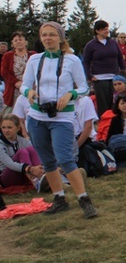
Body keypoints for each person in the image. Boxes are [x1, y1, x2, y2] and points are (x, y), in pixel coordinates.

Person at [21, 21, 97, 218]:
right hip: (37, 116)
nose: (48, 38)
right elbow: (24, 85)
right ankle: (59, 198)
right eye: (44, 35)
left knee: (65, 158)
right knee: (47, 161)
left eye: (52, 35)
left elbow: (84, 87)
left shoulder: (71, 60)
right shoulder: (34, 60)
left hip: (62, 117)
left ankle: (84, 199)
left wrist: (70, 94)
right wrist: (29, 92)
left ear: (60, 38)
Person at [82, 20, 126, 117]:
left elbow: (120, 58)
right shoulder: (91, 45)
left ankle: (116, 122)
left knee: (115, 101)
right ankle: (104, 122)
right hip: (99, 78)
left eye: (107, 29)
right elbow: (86, 62)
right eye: (104, 29)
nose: (107, 31)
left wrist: (123, 72)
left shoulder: (113, 43)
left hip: (115, 77)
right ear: (97, 31)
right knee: (103, 103)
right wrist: (89, 76)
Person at [0, 115, 43, 190]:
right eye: (3, 127)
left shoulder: (22, 141)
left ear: (18, 128)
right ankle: (35, 181)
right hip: (5, 178)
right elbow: (10, 164)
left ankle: (41, 176)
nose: (6, 130)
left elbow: (37, 154)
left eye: (9, 127)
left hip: (22, 175)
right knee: (22, 152)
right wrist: (30, 169)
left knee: (31, 149)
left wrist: (39, 167)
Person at [1, 31, 34, 108]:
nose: (18, 42)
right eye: (16, 40)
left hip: (30, 89)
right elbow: (4, 72)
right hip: (13, 89)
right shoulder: (7, 56)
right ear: (12, 44)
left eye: (20, 39)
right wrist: (16, 82)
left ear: (26, 42)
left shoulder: (33, 55)